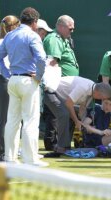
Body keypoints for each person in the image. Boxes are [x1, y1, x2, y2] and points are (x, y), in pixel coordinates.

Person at [0, 7, 48, 166]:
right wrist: (38, 77)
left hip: (13, 81)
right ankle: (30, 159)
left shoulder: (9, 35)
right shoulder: (32, 35)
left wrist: (7, 74)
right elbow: (41, 59)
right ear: (35, 22)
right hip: (27, 81)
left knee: (12, 121)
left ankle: (10, 158)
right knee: (30, 121)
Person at [43, 76, 111, 155]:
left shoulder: (92, 90)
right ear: (98, 93)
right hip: (51, 92)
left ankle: (65, 146)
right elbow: (69, 103)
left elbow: (82, 109)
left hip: (62, 98)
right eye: (102, 98)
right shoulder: (84, 87)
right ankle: (61, 147)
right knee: (64, 114)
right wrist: (76, 121)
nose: (101, 100)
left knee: (71, 116)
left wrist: (83, 124)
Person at [42, 15, 78, 151]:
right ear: (60, 26)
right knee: (55, 115)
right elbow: (52, 62)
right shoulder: (54, 39)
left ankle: (61, 144)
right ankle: (52, 144)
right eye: (70, 28)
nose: (72, 31)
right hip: (57, 85)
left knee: (61, 114)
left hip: (63, 86)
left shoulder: (63, 39)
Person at [0, 15, 20, 162]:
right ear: (13, 26)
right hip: (4, 82)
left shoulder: (5, 41)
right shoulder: (4, 42)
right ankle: (0, 155)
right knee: (5, 120)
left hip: (6, 81)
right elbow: (1, 64)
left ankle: (7, 152)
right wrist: (9, 76)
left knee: (9, 119)